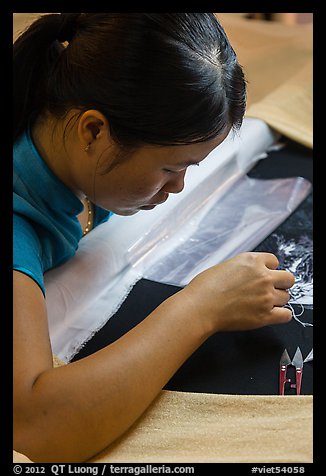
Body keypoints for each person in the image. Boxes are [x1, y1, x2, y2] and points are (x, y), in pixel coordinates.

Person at [13, 13, 295, 463]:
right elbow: (34, 425)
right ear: (93, 131)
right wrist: (200, 308)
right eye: (169, 167)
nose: (179, 186)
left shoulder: (63, 130)